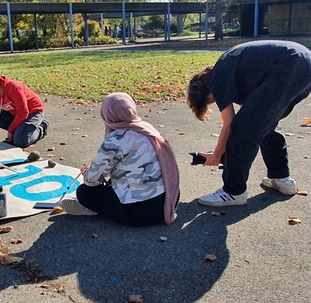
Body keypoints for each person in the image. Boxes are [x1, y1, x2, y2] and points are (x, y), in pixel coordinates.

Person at [187, 40, 311, 207]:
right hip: (304, 63)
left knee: (242, 130)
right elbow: (252, 113)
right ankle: (281, 178)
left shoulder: (217, 79)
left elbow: (230, 124)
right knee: (264, 123)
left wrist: (217, 155)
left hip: (285, 66)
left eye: (211, 101)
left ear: (204, 91)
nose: (217, 102)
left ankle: (233, 192)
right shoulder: (234, 70)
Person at [61, 92, 180, 227]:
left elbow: (92, 181)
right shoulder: (148, 129)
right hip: (169, 199)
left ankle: (94, 208)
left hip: (141, 212)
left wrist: (87, 172)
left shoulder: (116, 139)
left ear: (107, 115)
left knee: (84, 192)